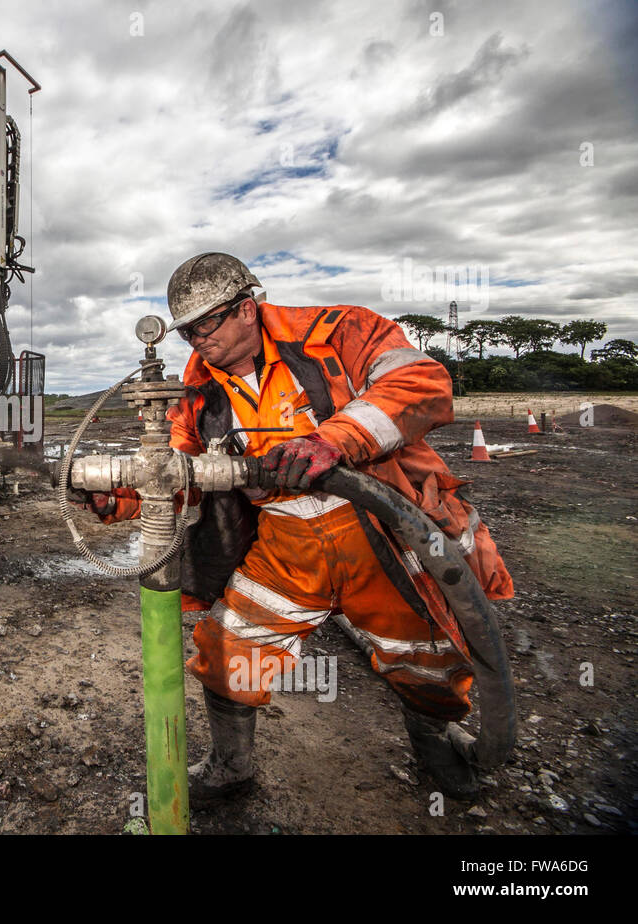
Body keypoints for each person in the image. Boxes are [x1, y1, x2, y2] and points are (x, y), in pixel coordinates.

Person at [78, 252, 513, 802]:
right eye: (185, 331)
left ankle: (435, 748)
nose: (196, 341)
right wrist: (114, 497)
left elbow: (419, 382)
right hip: (287, 546)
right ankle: (233, 768)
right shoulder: (200, 388)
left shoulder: (338, 332)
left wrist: (334, 440)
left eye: (206, 324)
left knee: (424, 659)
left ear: (246, 308)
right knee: (229, 649)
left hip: (380, 532)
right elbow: (179, 471)